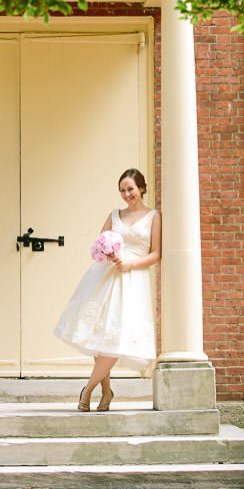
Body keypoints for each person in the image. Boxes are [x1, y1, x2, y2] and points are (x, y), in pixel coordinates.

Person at [54, 168, 162, 412]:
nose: (127, 194)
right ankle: (106, 392)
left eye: (131, 189)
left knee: (117, 337)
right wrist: (110, 254)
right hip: (105, 277)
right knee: (100, 334)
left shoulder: (154, 216)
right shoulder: (114, 215)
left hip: (133, 280)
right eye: (122, 190)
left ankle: (88, 389)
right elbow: (98, 244)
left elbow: (156, 253)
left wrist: (130, 264)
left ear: (141, 188)